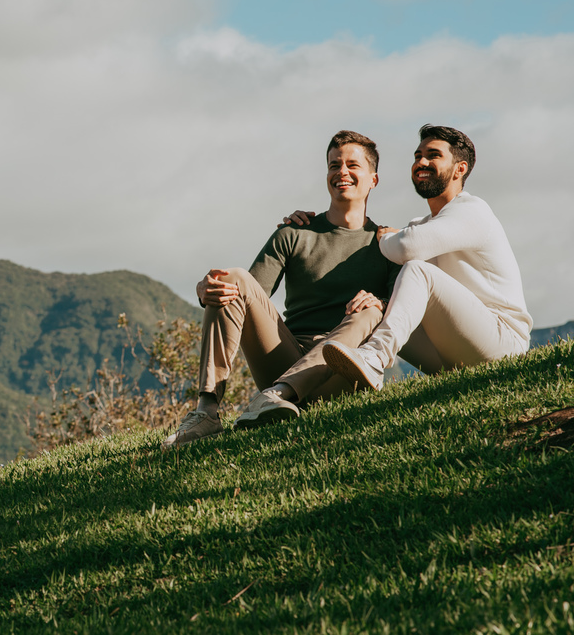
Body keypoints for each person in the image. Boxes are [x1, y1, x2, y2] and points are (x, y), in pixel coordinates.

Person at [162, 130, 400, 449]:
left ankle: (279, 393)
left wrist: (379, 302)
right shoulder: (294, 233)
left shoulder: (388, 245)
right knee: (232, 278)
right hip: (284, 360)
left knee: (372, 310)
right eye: (334, 165)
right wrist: (206, 288)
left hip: (341, 371)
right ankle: (207, 411)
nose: (342, 172)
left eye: (352, 165)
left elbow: (403, 313)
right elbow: (243, 295)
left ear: (374, 179)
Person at [321, 125, 532, 387]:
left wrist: (385, 236)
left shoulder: (473, 210)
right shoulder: (421, 227)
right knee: (376, 310)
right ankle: (326, 388)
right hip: (453, 353)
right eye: (417, 155)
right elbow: (408, 249)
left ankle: (375, 357)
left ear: (460, 169)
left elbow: (406, 248)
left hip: (504, 344)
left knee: (417, 269)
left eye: (433, 155)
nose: (421, 162)